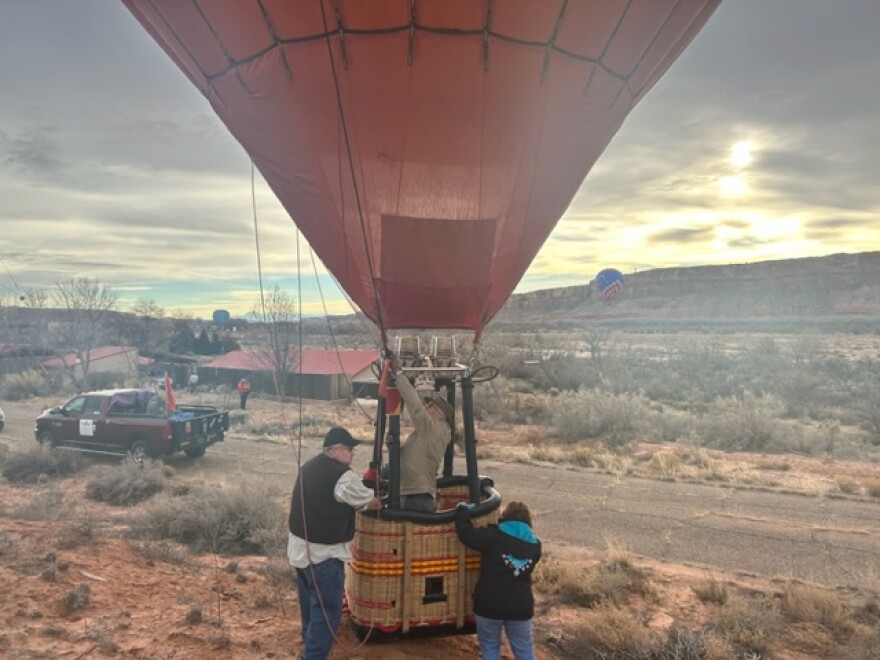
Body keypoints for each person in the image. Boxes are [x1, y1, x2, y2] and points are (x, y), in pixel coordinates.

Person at [288, 427, 382, 660]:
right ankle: (312, 656)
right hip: (325, 555)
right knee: (327, 612)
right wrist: (380, 499)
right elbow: (369, 501)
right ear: (337, 449)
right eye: (349, 449)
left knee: (309, 602)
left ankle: (308, 642)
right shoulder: (343, 477)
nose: (352, 454)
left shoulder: (308, 467)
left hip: (300, 550)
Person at [455, 501, 542, 660]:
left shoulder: (493, 536)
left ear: (505, 516)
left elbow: (466, 534)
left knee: (489, 646)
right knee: (524, 649)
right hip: (521, 607)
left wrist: (462, 512)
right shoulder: (535, 546)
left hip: (489, 604)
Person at [389, 355, 454, 512]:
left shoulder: (433, 429)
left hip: (417, 495)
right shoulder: (425, 432)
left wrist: (399, 376)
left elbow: (414, 404)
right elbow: (409, 456)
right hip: (412, 491)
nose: (426, 407)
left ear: (440, 413)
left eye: (430, 406)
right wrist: (391, 445)